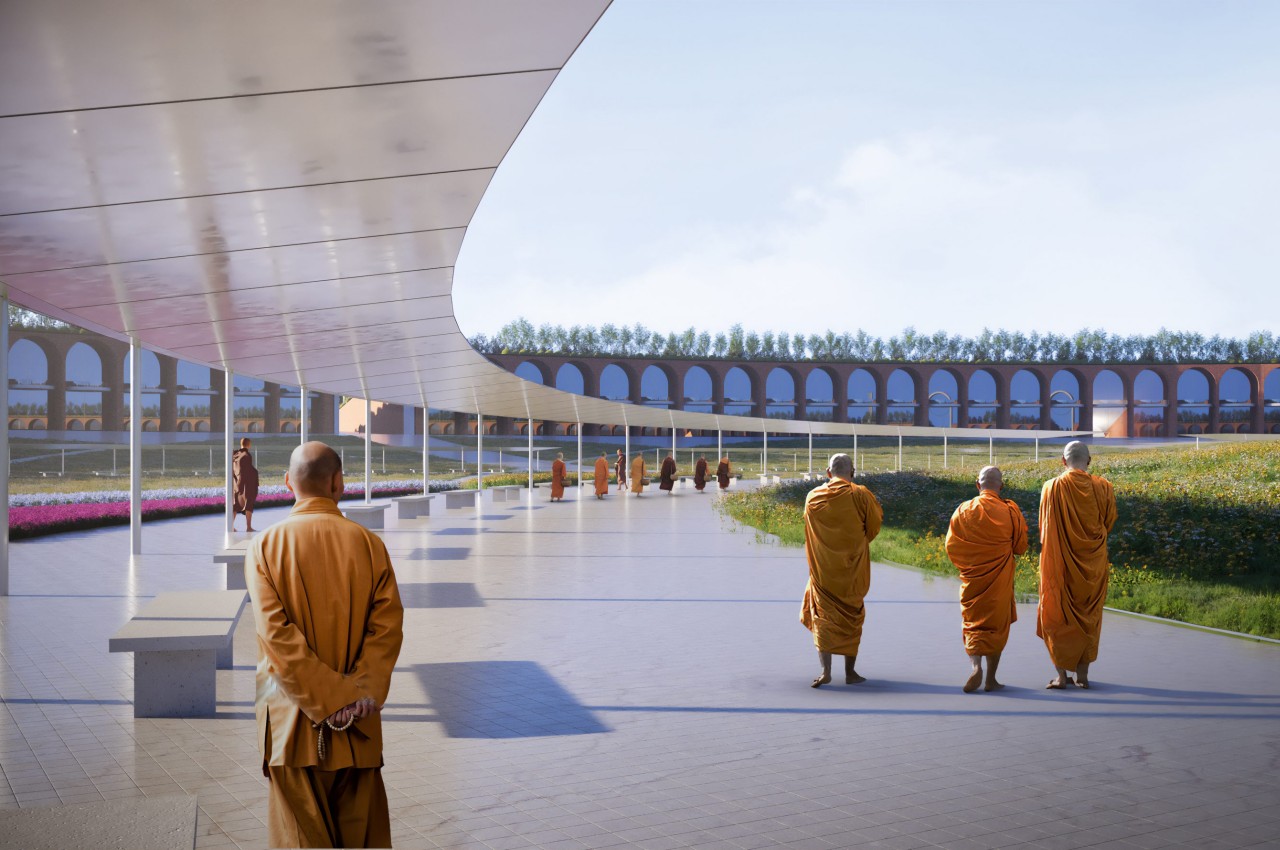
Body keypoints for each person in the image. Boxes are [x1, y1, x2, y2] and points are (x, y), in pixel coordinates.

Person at [246, 442, 404, 848]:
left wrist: (330, 699)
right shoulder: (369, 545)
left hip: (289, 725)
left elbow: (276, 637)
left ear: (286, 483)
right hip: (359, 725)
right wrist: (359, 695)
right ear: (338, 483)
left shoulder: (264, 546)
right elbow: (387, 628)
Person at [1038, 440, 1116, 690]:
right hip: (1093, 564)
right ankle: (1082, 675)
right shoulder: (1104, 487)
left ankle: (1061, 676)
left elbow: (1044, 528)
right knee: (1089, 615)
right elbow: (1109, 521)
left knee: (1056, 612)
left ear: (1063, 461)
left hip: (1059, 561)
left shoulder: (1051, 488)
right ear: (1089, 461)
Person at [800, 453, 882, 687]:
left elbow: (808, 527)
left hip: (823, 571)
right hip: (852, 571)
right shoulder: (861, 495)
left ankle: (826, 671)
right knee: (852, 617)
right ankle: (850, 673)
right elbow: (874, 527)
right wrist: (854, 543)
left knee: (822, 618)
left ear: (828, 473)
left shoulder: (813, 496)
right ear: (852, 472)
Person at [944, 466, 1028, 693]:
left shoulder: (963, 510)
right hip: (999, 581)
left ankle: (975, 666)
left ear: (977, 485)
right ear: (1001, 486)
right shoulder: (1010, 511)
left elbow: (951, 547)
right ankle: (991, 679)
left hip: (973, 580)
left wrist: (969, 566)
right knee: (995, 627)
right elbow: (1020, 547)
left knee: (973, 624)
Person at [232, 437, 259, 532]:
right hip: (246, 485)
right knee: (248, 504)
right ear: (249, 445)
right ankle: (248, 527)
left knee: (235, 505)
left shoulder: (235, 454)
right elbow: (246, 471)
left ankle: (231, 525)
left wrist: (237, 483)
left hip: (236, 484)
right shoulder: (246, 455)